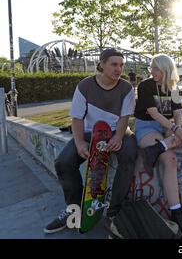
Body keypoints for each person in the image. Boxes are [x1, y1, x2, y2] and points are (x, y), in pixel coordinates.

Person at [45, 48, 138, 234]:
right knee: (63, 162)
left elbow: (124, 117)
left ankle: (114, 211)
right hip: (89, 132)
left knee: (129, 155)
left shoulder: (126, 88)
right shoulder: (85, 86)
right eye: (114, 64)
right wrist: (79, 143)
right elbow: (77, 119)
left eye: (121, 65)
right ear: (102, 64)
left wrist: (119, 136)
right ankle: (74, 210)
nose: (118, 69)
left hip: (115, 131)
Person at [134, 54, 182, 239]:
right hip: (147, 127)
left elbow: (177, 113)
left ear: (166, 69)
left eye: (156, 68)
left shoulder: (174, 88)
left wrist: (178, 128)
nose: (152, 71)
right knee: (171, 159)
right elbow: (153, 112)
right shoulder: (145, 86)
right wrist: (174, 129)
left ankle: (156, 149)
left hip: (167, 129)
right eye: (151, 68)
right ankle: (177, 213)